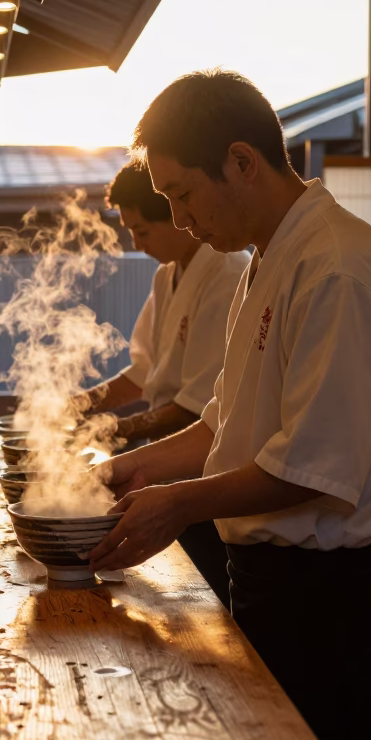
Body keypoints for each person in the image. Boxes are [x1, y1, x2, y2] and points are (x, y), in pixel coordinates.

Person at [88, 69, 371, 740]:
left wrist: (176, 505)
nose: (180, 220)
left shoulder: (339, 267)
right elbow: (224, 425)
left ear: (241, 162)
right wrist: (117, 472)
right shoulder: (269, 258)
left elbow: (317, 468)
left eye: (182, 196)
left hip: (338, 602)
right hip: (274, 584)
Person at [77, 162, 249, 603]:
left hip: (202, 466)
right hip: (170, 452)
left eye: (143, 231)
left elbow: (197, 407)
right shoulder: (167, 272)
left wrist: (110, 430)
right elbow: (142, 374)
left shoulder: (228, 271)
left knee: (198, 593)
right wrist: (78, 405)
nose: (137, 243)